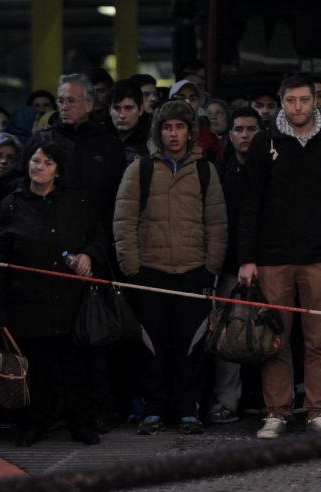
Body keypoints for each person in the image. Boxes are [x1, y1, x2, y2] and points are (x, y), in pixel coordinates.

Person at [238, 72, 321, 439]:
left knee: (319, 341)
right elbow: (249, 205)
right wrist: (247, 257)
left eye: (304, 100)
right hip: (273, 259)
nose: (298, 107)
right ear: (281, 102)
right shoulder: (265, 143)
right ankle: (276, 412)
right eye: (291, 100)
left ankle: (316, 411)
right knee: (275, 340)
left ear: (316, 102)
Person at [113, 100, 227, 436]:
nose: (173, 134)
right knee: (150, 346)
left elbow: (217, 223)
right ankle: (153, 407)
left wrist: (210, 266)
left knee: (190, 347)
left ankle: (187, 408)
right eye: (167, 127)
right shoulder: (140, 169)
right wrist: (131, 267)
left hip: (194, 272)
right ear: (158, 131)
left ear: (190, 132)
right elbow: (124, 221)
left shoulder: (206, 171)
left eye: (179, 127)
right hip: (150, 271)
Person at [0, 141, 108, 447]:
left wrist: (88, 255)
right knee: (37, 369)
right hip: (28, 302)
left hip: (71, 301)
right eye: (35, 160)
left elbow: (98, 235)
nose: (39, 166)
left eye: (47, 162)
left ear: (58, 170)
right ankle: (33, 424)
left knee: (76, 368)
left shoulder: (76, 201)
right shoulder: (12, 204)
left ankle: (81, 423)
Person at [205, 106, 263, 426]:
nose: (245, 135)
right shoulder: (218, 172)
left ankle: (270, 401)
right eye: (239, 129)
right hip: (228, 265)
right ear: (230, 135)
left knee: (271, 333)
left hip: (268, 264)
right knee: (228, 336)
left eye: (251, 129)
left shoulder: (271, 169)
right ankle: (227, 400)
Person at [28, 74, 127, 226]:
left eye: (71, 101)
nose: (64, 107)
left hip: (95, 233)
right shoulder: (42, 140)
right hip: (46, 229)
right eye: (60, 101)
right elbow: (16, 182)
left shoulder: (109, 145)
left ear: (89, 105)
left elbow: (121, 196)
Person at [109, 80, 149, 163]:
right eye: (116, 108)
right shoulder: (99, 140)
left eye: (128, 108)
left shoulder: (152, 143)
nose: (122, 115)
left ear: (140, 110)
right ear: (109, 110)